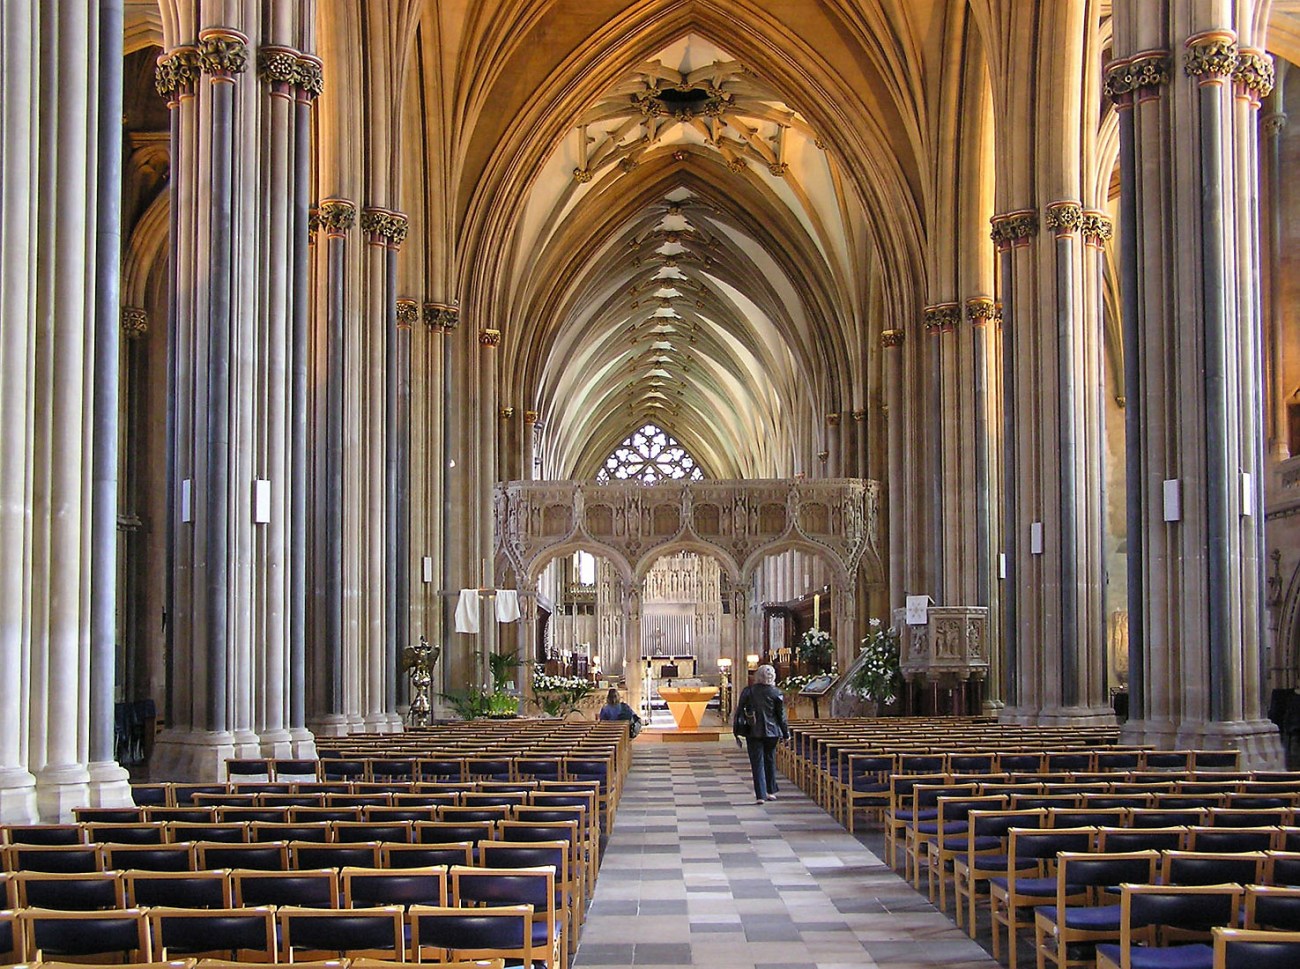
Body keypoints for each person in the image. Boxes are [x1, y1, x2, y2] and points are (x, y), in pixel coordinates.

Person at [733, 664, 790, 804]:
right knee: (770, 760)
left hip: (753, 731)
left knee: (757, 762)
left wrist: (737, 730)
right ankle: (770, 791)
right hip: (772, 732)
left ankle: (760, 795)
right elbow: (781, 716)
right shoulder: (776, 692)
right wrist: (786, 733)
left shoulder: (748, 691)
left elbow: (739, 711)